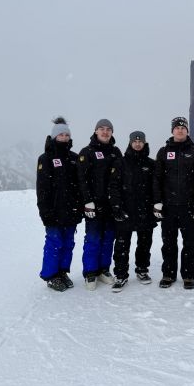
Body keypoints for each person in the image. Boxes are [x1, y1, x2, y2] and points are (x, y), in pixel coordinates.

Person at [153, 117, 194, 290]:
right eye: (177, 128)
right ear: (172, 131)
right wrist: (157, 202)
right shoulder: (163, 152)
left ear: (187, 131)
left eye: (183, 127)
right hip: (168, 207)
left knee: (190, 243)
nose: (180, 130)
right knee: (168, 242)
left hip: (189, 207)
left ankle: (188, 276)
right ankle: (168, 274)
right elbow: (157, 179)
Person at [36, 117, 83, 291]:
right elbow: (42, 188)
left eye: (66, 135)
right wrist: (45, 211)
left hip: (71, 210)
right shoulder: (46, 158)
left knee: (68, 243)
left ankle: (62, 272)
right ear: (54, 136)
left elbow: (80, 186)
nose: (64, 137)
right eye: (61, 134)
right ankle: (50, 275)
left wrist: (79, 207)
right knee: (54, 242)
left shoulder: (74, 158)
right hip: (54, 211)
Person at [108, 131, 157, 292]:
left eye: (140, 141)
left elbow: (156, 188)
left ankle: (142, 270)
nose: (137, 144)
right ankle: (121, 275)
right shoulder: (120, 163)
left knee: (144, 244)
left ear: (144, 143)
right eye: (134, 141)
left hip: (145, 212)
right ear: (130, 143)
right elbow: (113, 187)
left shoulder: (151, 164)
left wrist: (156, 206)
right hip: (125, 211)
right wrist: (116, 207)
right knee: (122, 245)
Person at [79, 119, 123, 291]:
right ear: (96, 131)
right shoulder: (87, 152)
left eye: (108, 129)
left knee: (108, 239)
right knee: (93, 239)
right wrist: (87, 201)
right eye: (101, 129)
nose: (105, 132)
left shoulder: (115, 152)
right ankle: (90, 272)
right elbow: (82, 180)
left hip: (112, 205)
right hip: (94, 205)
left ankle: (103, 269)